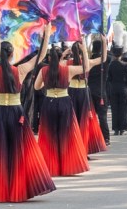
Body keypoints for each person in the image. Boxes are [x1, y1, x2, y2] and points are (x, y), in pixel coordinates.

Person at [0, 33, 56, 202]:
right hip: (16, 111)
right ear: (11, 54)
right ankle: (18, 186)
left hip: (0, 112)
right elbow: (41, 56)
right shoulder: (21, 70)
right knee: (19, 150)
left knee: (0, 150)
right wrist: (46, 36)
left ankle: (0, 189)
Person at [34, 39, 90, 176]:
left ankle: (50, 165)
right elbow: (86, 68)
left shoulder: (44, 70)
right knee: (67, 134)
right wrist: (84, 51)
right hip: (64, 102)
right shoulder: (68, 70)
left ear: (48, 57)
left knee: (49, 135)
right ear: (62, 57)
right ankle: (67, 165)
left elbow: (36, 87)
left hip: (49, 103)